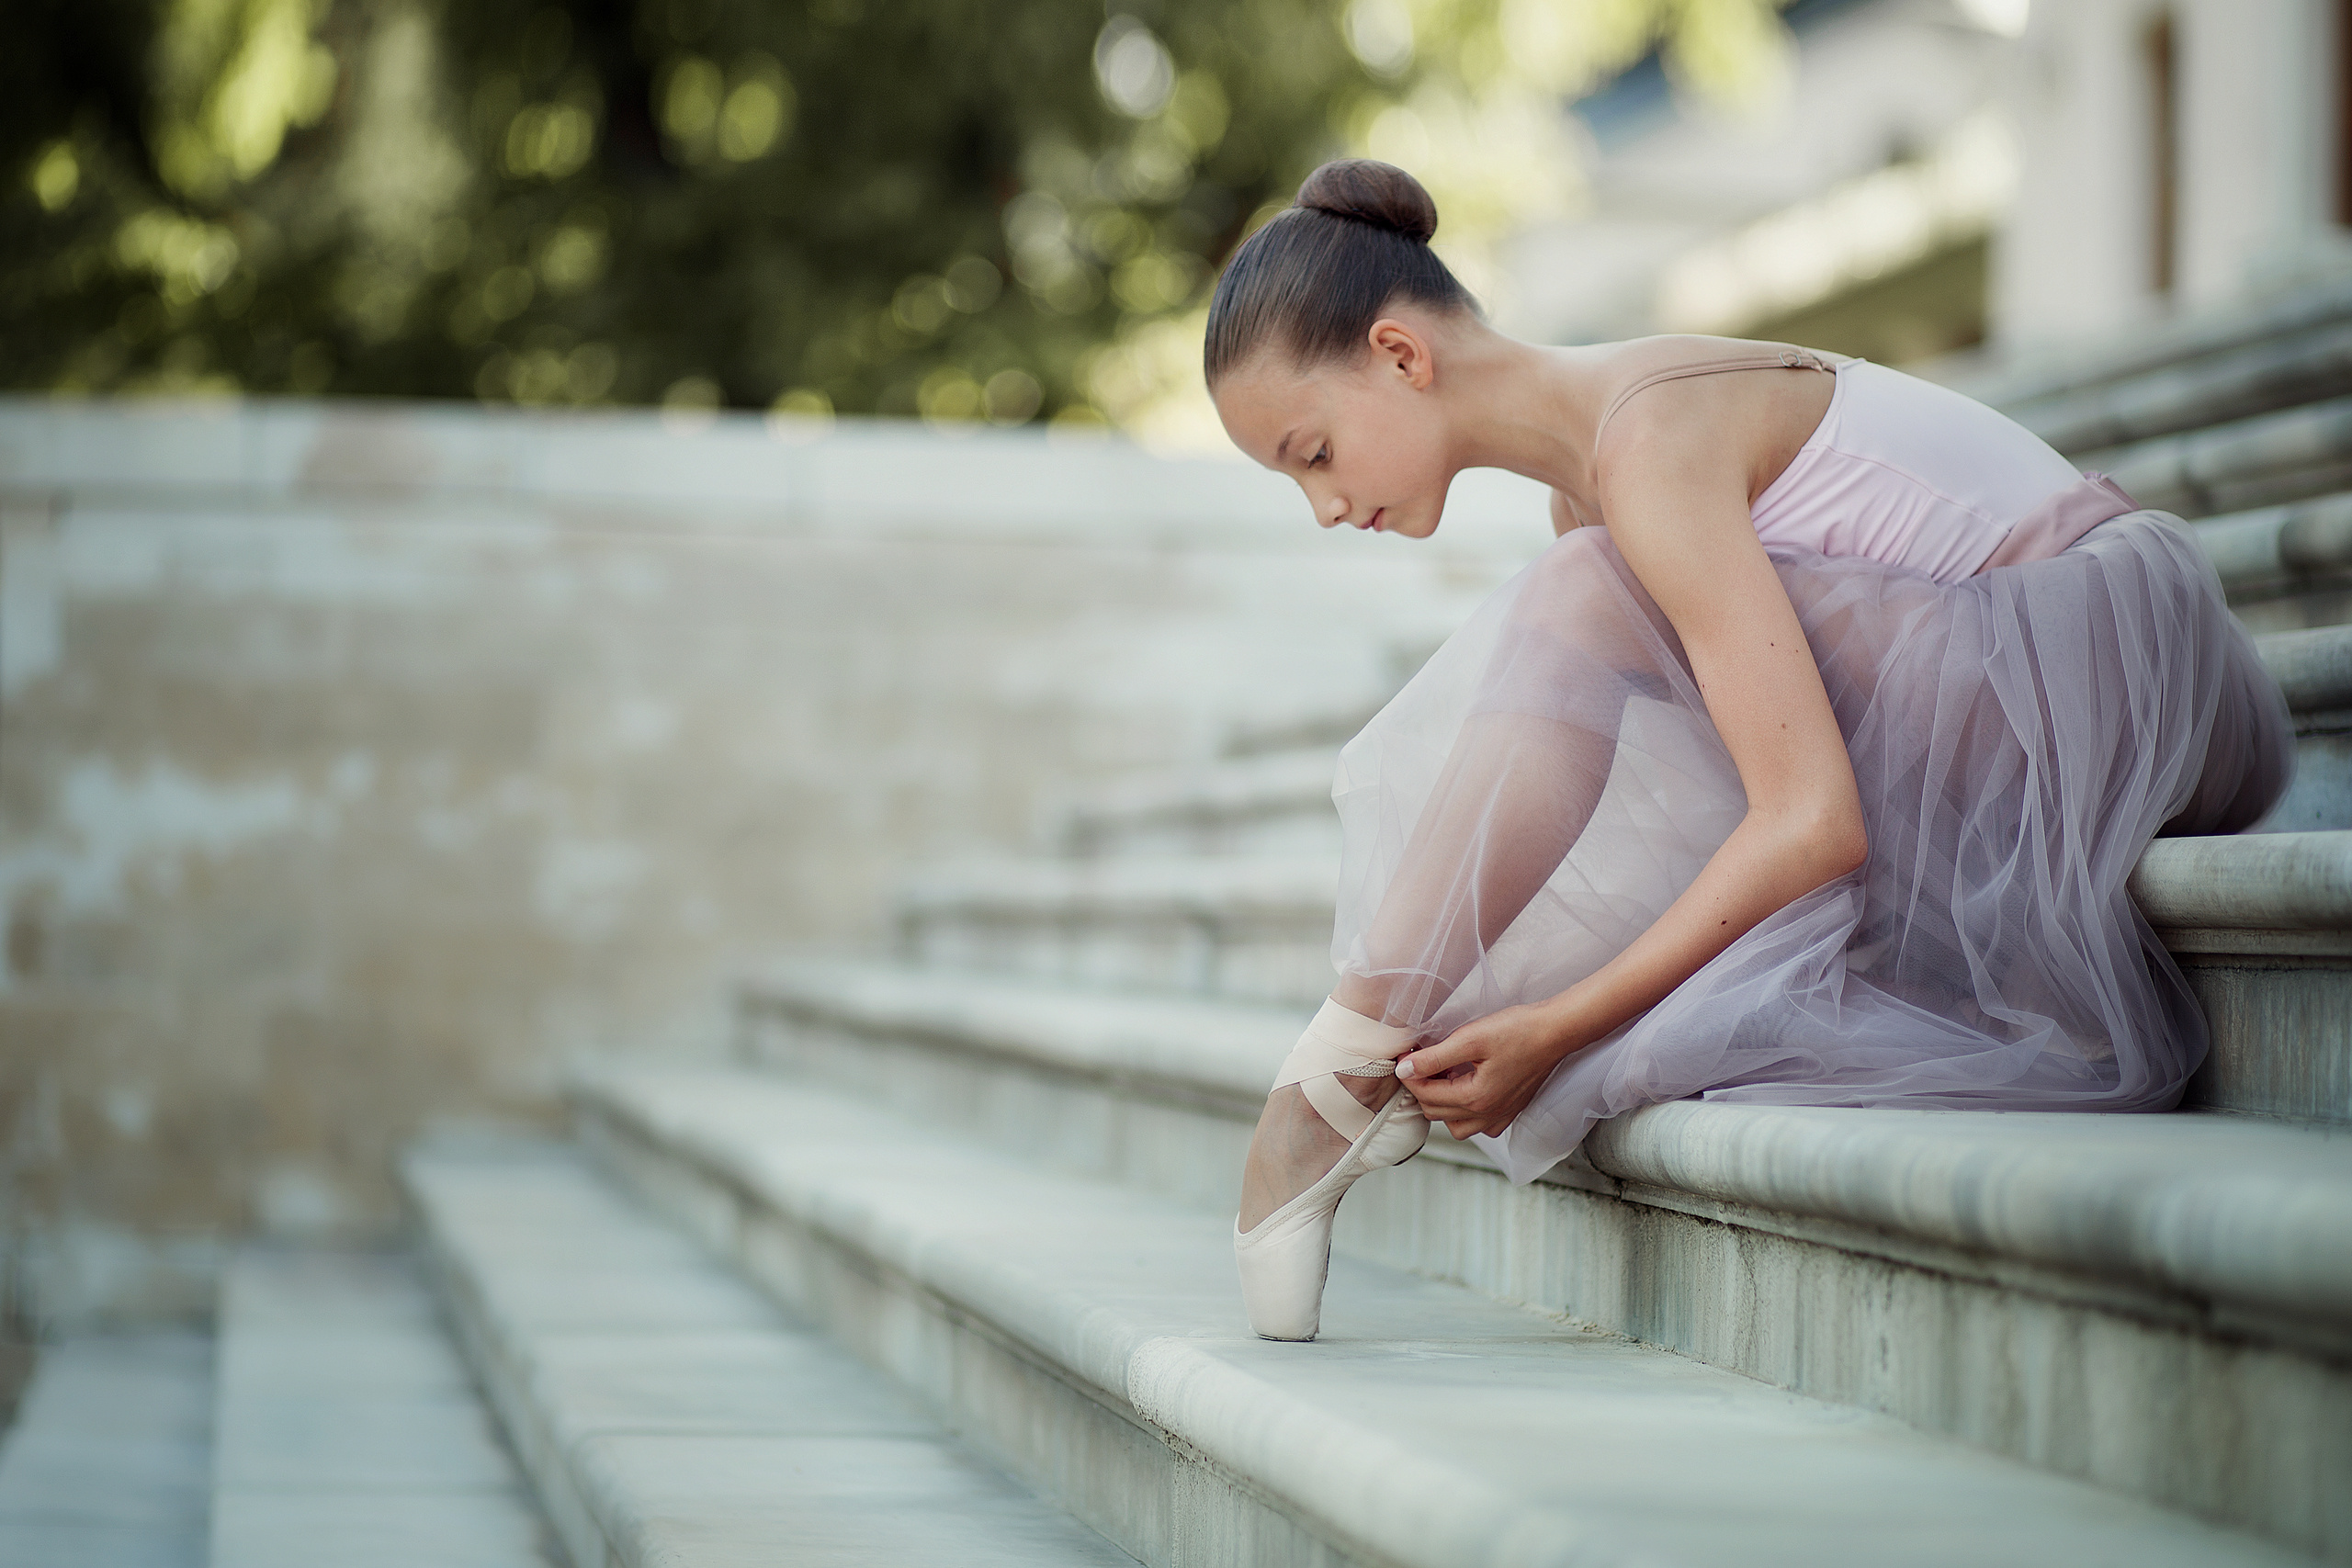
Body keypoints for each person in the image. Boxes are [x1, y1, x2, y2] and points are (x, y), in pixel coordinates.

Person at [1209, 159, 2292, 1342]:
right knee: (1582, 605)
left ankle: (1331, 1075)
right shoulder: (1594, 490)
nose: (1322, 505)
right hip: (2003, 736)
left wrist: (1562, 1020)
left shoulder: (1648, 436)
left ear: (1401, 355)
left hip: (2110, 702)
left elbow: (1811, 823)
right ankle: (1355, 1057)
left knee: (1578, 602)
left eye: (1311, 454)